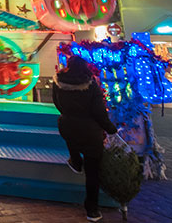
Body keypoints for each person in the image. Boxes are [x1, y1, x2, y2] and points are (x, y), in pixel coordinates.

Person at [53, 55, 118, 222]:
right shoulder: (91, 86)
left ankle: (75, 161)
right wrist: (111, 129)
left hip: (67, 124)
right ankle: (92, 210)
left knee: (71, 138)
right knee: (92, 172)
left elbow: (56, 103)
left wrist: (68, 114)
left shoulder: (58, 82)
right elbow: (99, 112)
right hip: (89, 130)